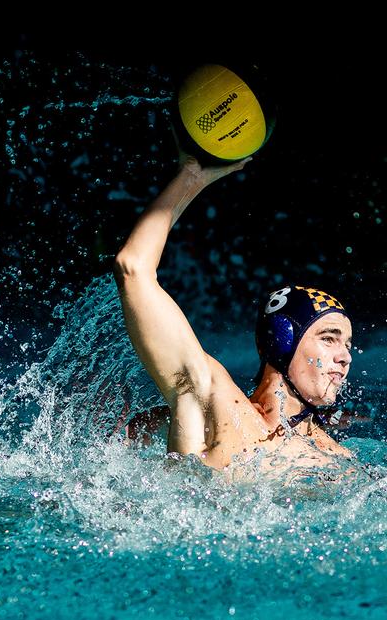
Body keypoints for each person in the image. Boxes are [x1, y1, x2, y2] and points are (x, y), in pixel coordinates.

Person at [114, 155, 355, 481]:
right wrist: (192, 175)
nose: (345, 357)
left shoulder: (338, 463)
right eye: (328, 338)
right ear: (282, 341)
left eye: (348, 344)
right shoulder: (212, 396)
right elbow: (133, 268)